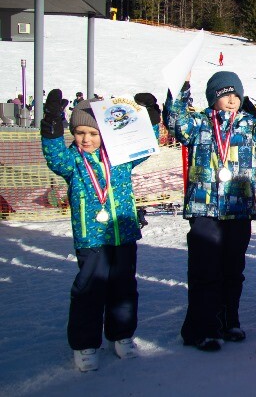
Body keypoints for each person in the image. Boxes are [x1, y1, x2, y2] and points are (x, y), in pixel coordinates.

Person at [171, 70, 256, 351]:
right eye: (225, 95)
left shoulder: (249, 124)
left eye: (236, 95)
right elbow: (176, 123)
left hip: (238, 209)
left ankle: (229, 320)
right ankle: (202, 328)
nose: (232, 100)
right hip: (204, 209)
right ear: (213, 98)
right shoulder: (198, 124)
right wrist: (180, 89)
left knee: (233, 270)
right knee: (205, 271)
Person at [40, 89, 161, 371]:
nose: (86, 139)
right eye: (80, 133)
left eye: (93, 133)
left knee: (124, 287)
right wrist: (52, 124)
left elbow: (146, 144)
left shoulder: (121, 156)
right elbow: (54, 156)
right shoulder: (72, 161)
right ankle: (85, 344)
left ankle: (122, 335)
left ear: (105, 133)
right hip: (91, 237)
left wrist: (151, 118)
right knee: (89, 290)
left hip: (123, 233)